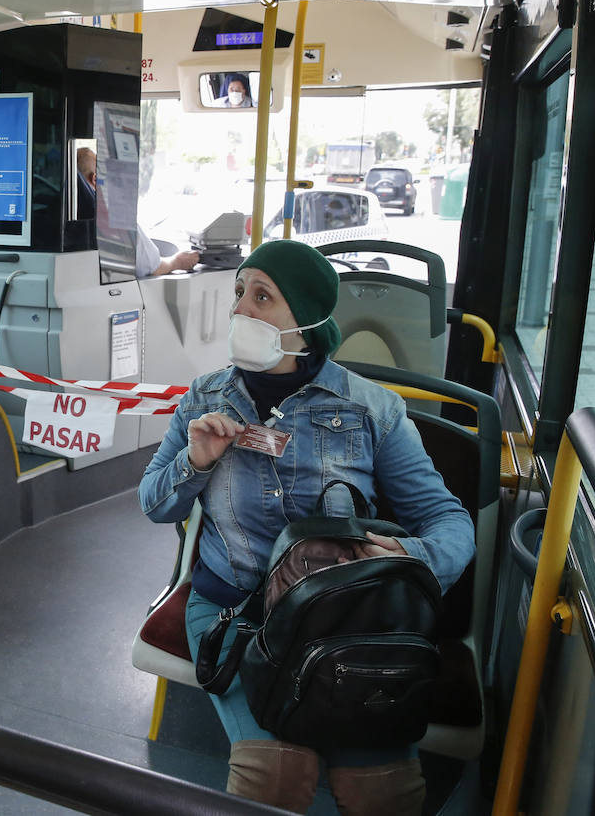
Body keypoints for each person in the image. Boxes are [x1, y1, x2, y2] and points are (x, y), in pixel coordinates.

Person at [137, 240, 475, 815]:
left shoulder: (372, 409)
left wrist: (407, 555)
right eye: (238, 293)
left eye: (261, 296)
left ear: (309, 320)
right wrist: (195, 463)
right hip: (233, 610)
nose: (240, 309)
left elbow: (449, 521)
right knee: (273, 777)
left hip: (342, 617)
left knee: (383, 789)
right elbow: (155, 504)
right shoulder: (204, 398)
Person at [77, 146, 198, 277]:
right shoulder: (110, 215)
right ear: (95, 179)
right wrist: (178, 261)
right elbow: (152, 267)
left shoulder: (69, 212)